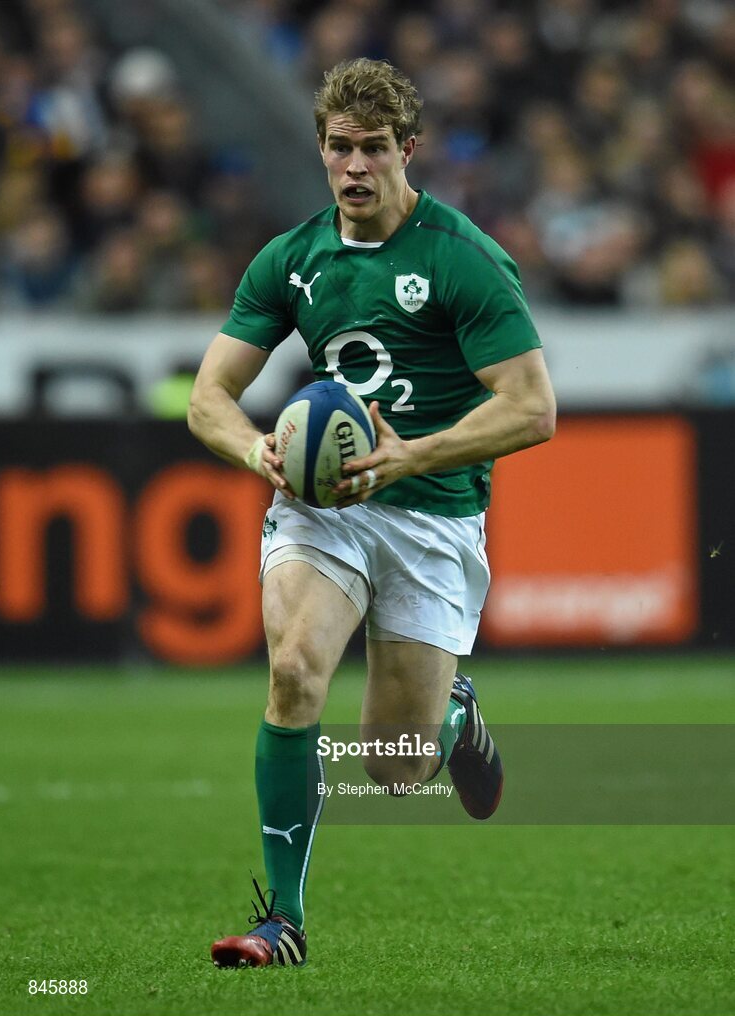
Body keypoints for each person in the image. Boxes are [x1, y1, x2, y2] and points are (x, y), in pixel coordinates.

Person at [188, 57, 556, 969]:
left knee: (393, 769)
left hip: (432, 514)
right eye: (340, 147)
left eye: (376, 148)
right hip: (327, 510)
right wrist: (258, 452)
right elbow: (208, 398)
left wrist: (412, 454)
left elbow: (530, 409)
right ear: (321, 148)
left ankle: (452, 717)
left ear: (408, 150)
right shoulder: (291, 258)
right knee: (292, 673)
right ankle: (282, 921)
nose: (356, 166)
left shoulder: (461, 257)